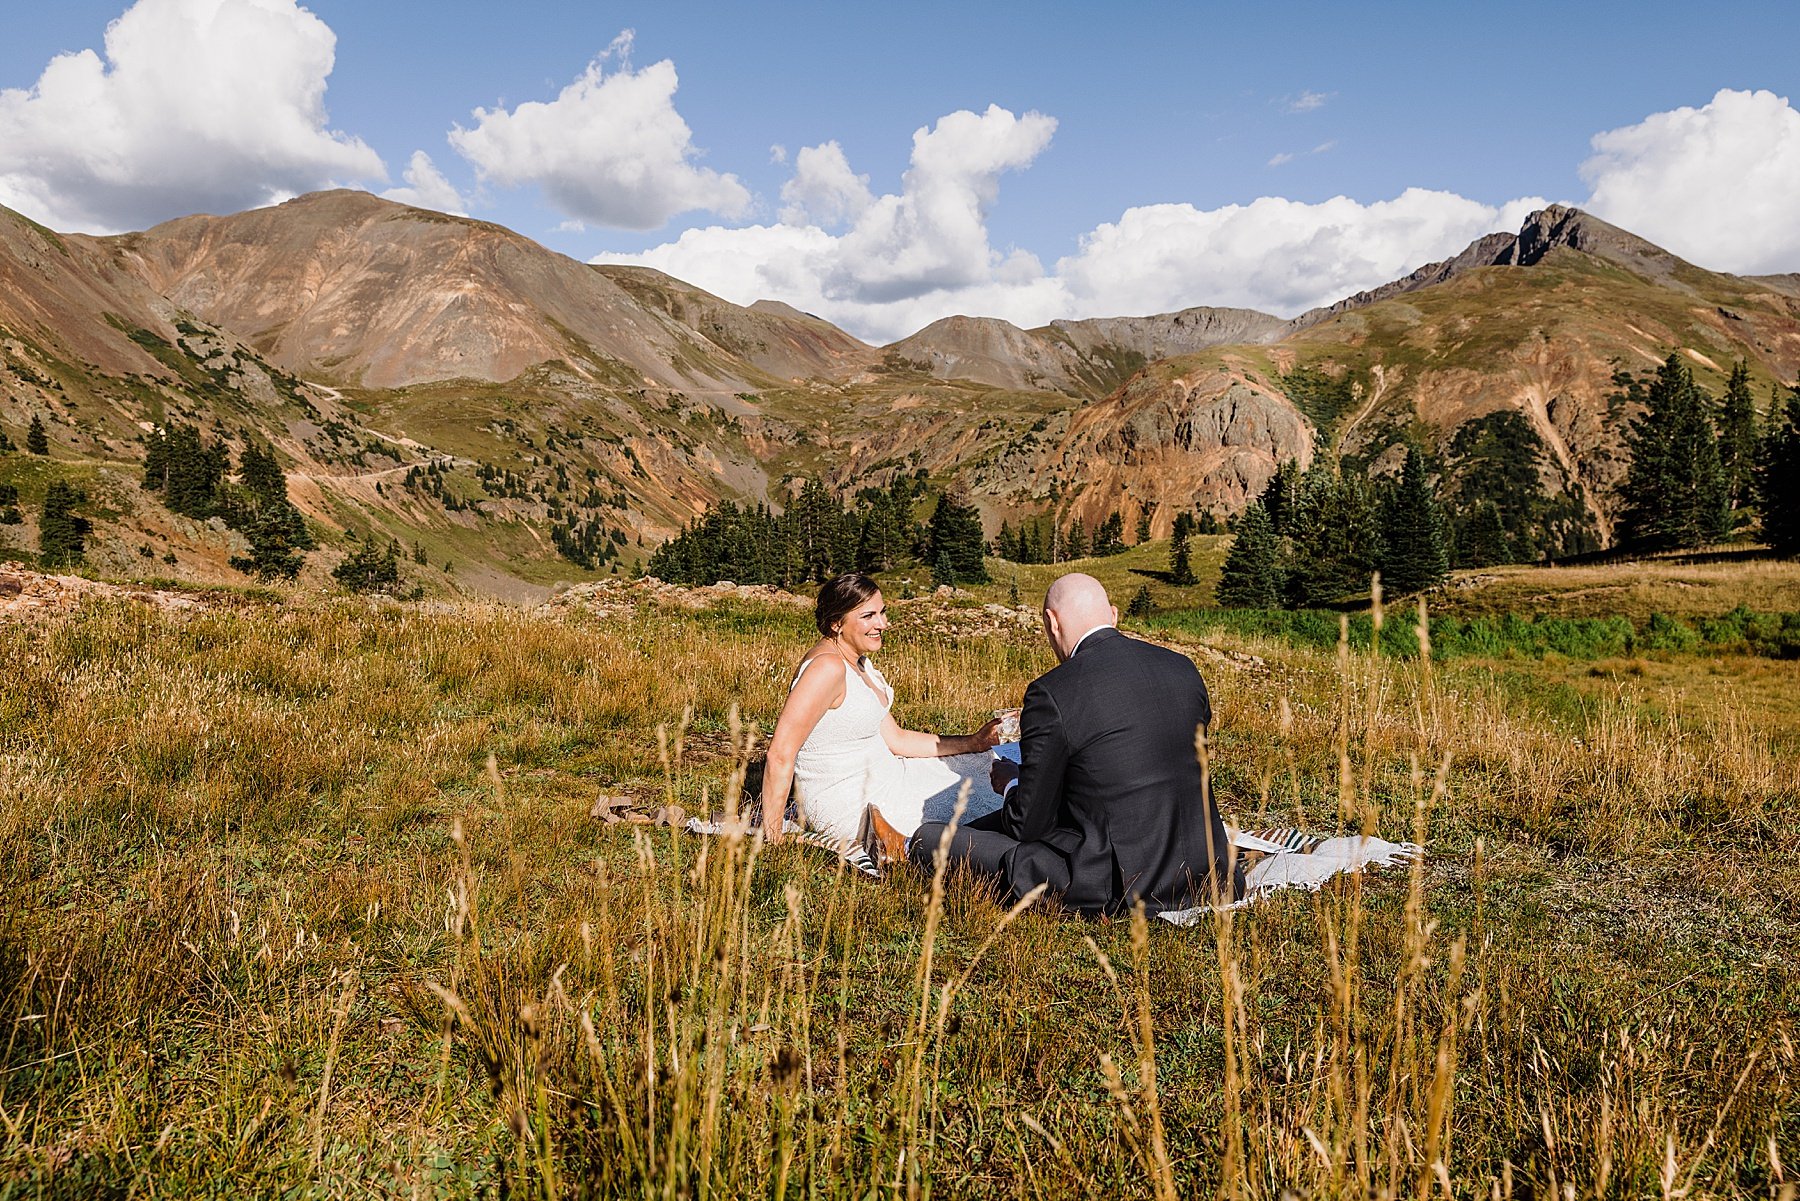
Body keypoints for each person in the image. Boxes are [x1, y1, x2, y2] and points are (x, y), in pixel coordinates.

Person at [907, 572, 1239, 915]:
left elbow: (1027, 824)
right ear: (1113, 615)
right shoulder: (1182, 668)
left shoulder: (1052, 692)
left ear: (1052, 623)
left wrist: (1013, 782)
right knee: (976, 831)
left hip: (1121, 883)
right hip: (1207, 870)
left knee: (929, 840)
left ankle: (900, 848)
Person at [761, 572, 1004, 853]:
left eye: (882, 613)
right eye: (868, 616)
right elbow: (780, 752)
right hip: (850, 799)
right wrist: (774, 833)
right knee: (980, 800)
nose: (882, 624)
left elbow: (897, 739)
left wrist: (973, 742)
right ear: (836, 623)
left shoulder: (857, 662)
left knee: (986, 765)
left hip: (885, 774)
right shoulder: (827, 668)